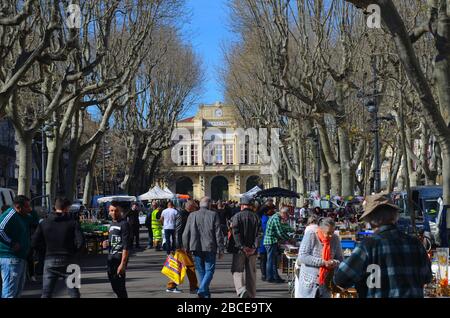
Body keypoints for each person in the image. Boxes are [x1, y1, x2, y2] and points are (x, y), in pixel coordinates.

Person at [334, 194, 432, 298]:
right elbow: (427, 277)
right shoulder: (415, 243)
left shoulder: (368, 246)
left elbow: (340, 279)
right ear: (394, 216)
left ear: (370, 220)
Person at [31, 197, 85, 298]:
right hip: (70, 259)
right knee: (74, 292)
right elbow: (81, 242)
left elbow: (34, 242)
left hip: (50, 259)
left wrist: (44, 252)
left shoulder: (44, 223)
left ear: (55, 207)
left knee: (46, 293)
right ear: (67, 208)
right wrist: (75, 253)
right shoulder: (73, 223)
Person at [182, 196, 224, 298]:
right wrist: (221, 248)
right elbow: (218, 233)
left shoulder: (192, 215)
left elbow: (185, 233)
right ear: (209, 204)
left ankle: (205, 293)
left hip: (195, 246)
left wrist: (186, 247)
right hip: (210, 246)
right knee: (209, 270)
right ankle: (202, 290)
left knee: (201, 270)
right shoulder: (214, 214)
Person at [0, 195, 39, 298]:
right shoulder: (10, 214)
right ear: (18, 206)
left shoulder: (23, 215)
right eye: (27, 206)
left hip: (20, 257)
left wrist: (31, 210)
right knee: (10, 291)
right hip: (10, 257)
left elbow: (35, 220)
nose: (28, 209)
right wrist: (11, 243)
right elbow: (0, 230)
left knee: (17, 290)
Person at [296, 217, 343, 298]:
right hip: (309, 283)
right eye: (328, 233)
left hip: (326, 283)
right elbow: (302, 256)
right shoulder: (311, 235)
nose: (331, 235)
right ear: (321, 230)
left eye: (332, 232)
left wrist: (334, 262)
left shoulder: (335, 238)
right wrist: (323, 262)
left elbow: (340, 259)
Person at [230, 197, 262, 298]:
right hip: (253, 250)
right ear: (251, 206)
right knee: (251, 272)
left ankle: (241, 289)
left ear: (242, 206)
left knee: (237, 270)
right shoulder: (256, 217)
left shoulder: (237, 216)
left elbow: (235, 232)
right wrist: (253, 247)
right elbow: (259, 234)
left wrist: (242, 246)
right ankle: (252, 295)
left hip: (239, 250)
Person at [166, 200, 199, 294]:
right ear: (190, 207)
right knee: (189, 266)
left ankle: (171, 285)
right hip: (182, 246)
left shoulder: (186, 214)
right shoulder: (182, 215)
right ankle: (193, 287)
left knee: (179, 266)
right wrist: (180, 245)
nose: (196, 209)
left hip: (182, 245)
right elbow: (178, 231)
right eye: (195, 207)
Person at [103, 201, 131, 298]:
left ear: (121, 211)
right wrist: (107, 242)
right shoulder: (111, 224)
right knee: (114, 286)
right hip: (111, 258)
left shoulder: (124, 224)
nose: (114, 213)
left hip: (119, 260)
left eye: (116, 211)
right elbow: (114, 239)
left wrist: (122, 264)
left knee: (120, 288)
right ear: (109, 211)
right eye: (112, 210)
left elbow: (126, 246)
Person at [263, 206, 294, 283]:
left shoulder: (277, 217)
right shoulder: (276, 218)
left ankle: (275, 277)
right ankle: (270, 277)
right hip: (270, 241)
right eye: (286, 215)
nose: (286, 217)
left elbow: (281, 229)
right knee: (270, 260)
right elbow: (279, 232)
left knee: (273, 260)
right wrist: (289, 239)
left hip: (272, 241)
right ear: (283, 213)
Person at [258, 204, 275, 281]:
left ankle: (264, 274)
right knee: (264, 258)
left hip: (263, 241)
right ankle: (264, 274)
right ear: (266, 211)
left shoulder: (263, 217)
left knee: (263, 258)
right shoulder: (265, 219)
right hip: (264, 240)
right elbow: (266, 230)